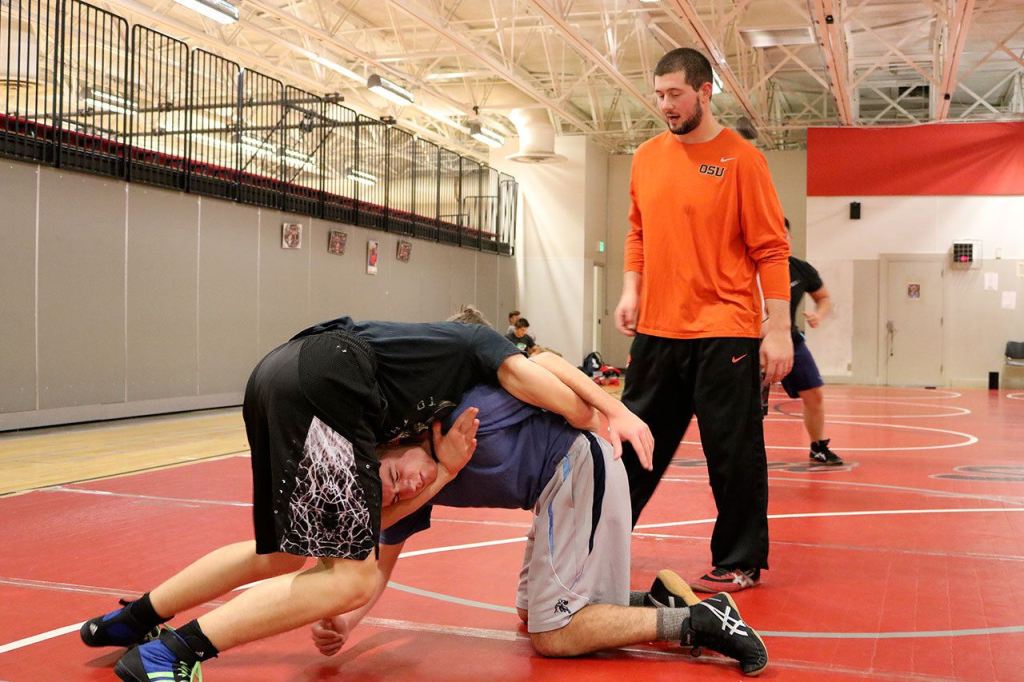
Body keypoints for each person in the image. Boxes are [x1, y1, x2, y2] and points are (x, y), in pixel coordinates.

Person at [79, 314, 654, 681]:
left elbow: (377, 539)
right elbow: (543, 367)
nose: (408, 485)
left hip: (276, 375)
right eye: (408, 476)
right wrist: (615, 411)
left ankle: (130, 621)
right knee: (345, 575)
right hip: (321, 377)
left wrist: (350, 621)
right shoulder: (471, 346)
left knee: (283, 556)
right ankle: (168, 655)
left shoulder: (401, 418)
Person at [311, 361, 768, 677]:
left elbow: (549, 371)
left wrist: (610, 411)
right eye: (393, 495)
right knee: (532, 616)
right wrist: (347, 622)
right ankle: (659, 602)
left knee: (555, 633)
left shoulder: (472, 412)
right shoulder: (416, 486)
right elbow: (379, 566)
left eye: (396, 475)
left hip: (579, 468)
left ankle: (701, 619)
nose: (407, 488)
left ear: (397, 441)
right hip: (558, 489)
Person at [613, 47, 793, 594]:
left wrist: (778, 326)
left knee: (732, 451)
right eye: (659, 94)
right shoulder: (646, 157)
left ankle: (739, 558)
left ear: (704, 91)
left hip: (726, 329)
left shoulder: (741, 159)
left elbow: (771, 247)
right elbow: (638, 231)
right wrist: (630, 290)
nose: (665, 104)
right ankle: (601, 538)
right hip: (658, 331)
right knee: (631, 446)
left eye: (675, 94)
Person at [781, 218, 842, 466]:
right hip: (750, 343)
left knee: (814, 394)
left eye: (785, 234)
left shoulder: (799, 268)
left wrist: (819, 314)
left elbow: (824, 297)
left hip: (791, 342)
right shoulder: (749, 267)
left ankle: (818, 447)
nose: (781, 239)